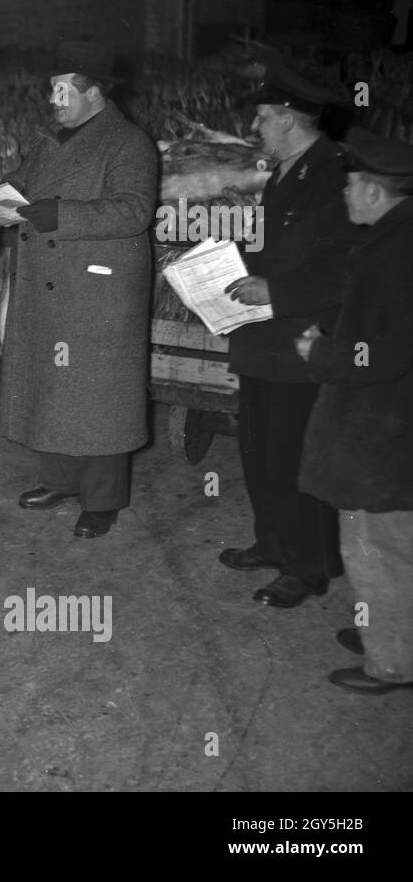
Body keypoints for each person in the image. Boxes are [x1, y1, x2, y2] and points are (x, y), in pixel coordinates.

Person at [0, 40, 158, 538]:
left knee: (100, 394)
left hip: (96, 290)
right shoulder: (51, 141)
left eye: (64, 91)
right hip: (51, 287)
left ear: (95, 94)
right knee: (55, 386)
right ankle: (59, 480)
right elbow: (21, 187)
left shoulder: (129, 143)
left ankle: (103, 500)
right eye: (53, 91)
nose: (54, 100)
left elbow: (133, 210)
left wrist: (61, 216)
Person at [217, 74, 355, 607]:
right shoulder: (286, 173)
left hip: (303, 341)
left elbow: (348, 270)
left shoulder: (336, 177)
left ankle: (309, 565)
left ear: (288, 119)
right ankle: (272, 543)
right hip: (263, 338)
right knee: (258, 449)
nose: (255, 126)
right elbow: (281, 250)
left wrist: (276, 289)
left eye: (261, 116)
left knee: (296, 456)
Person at [296, 128, 413, 694]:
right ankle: (389, 632)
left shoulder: (396, 253)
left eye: (350, 186)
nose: (344, 196)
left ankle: (391, 662)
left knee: (373, 546)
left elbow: (387, 352)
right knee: (395, 544)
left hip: (382, 429)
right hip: (392, 426)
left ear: (373, 191)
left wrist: (323, 351)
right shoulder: (394, 238)